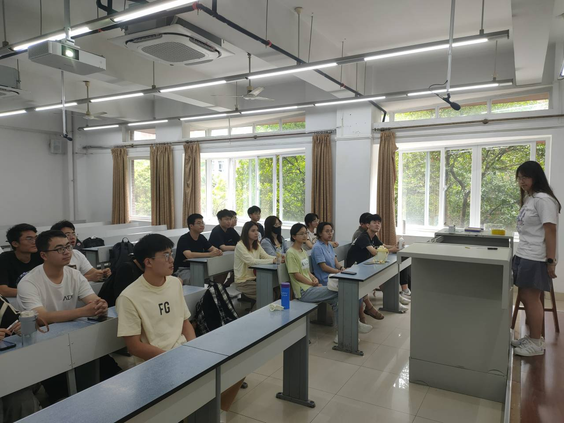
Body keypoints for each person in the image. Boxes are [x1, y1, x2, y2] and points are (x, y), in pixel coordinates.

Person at [116, 234, 242, 421]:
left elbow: (185, 322)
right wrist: (173, 358)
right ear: (148, 262)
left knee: (239, 363)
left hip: (183, 352)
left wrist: (193, 348)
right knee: (199, 385)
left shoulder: (174, 283)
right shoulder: (129, 297)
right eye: (165, 255)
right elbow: (134, 346)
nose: (172, 260)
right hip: (156, 363)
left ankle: (218, 413)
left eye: (171, 254)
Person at [17, 230, 110, 402]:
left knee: (106, 375)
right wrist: (83, 311)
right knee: (63, 394)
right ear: (44, 255)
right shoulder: (29, 282)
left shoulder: (74, 275)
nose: (67, 252)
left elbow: (93, 300)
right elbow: (42, 317)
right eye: (59, 249)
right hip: (44, 344)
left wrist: (100, 304)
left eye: (68, 247)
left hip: (73, 335)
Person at [512, 161, 560, 357]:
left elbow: (551, 231)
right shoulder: (530, 199)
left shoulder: (544, 200)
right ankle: (533, 338)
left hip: (536, 257)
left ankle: (535, 343)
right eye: (519, 178)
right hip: (524, 253)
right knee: (525, 296)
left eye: (525, 177)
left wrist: (550, 261)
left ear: (536, 177)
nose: (521, 181)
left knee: (531, 299)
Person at [312, 222, 384, 328]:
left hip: (335, 276)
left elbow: (336, 262)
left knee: (357, 286)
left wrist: (342, 268)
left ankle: (358, 319)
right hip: (326, 279)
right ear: (319, 233)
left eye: (331, 231)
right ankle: (358, 319)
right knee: (353, 289)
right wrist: (338, 272)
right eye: (327, 231)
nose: (330, 233)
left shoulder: (329, 245)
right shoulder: (317, 247)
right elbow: (323, 267)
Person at [287, 223, 341, 343]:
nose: (305, 235)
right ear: (294, 236)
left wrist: (313, 278)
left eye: (306, 233)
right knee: (339, 292)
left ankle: (342, 331)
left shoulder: (302, 251)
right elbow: (296, 274)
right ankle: (343, 331)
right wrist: (311, 283)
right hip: (303, 291)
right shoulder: (291, 253)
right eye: (301, 233)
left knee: (338, 299)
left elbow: (306, 271)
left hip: (310, 287)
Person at [346, 214, 411, 308]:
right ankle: (395, 300)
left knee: (385, 275)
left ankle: (396, 299)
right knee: (382, 275)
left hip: (365, 264)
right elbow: (374, 252)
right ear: (368, 225)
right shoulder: (363, 236)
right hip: (354, 267)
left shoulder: (373, 236)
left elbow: (383, 246)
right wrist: (392, 250)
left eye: (379, 223)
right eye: (374, 223)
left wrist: (395, 246)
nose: (377, 225)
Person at [0, 295, 40, 422]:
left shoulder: (1, 305)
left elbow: (20, 321)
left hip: (7, 375)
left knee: (23, 401)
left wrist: (25, 326)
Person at [234, 221, 280, 300]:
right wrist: (273, 261)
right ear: (246, 232)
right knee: (268, 293)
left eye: (257, 230)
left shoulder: (257, 244)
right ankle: (256, 308)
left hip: (255, 279)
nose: (256, 233)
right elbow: (252, 262)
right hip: (243, 282)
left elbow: (266, 256)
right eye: (253, 231)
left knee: (278, 288)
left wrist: (278, 259)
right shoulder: (240, 246)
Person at [174, 214, 222, 284]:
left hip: (199, 267)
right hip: (183, 269)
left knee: (216, 274)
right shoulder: (184, 239)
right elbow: (189, 255)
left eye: (202, 223)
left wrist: (218, 251)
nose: (202, 225)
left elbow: (212, 249)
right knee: (197, 278)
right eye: (199, 223)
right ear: (191, 226)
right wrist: (210, 254)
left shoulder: (201, 237)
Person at [0, 224, 43, 297]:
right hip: (14, 299)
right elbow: (3, 291)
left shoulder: (41, 255)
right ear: (15, 244)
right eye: (29, 239)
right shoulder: (4, 259)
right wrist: (36, 293)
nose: (34, 242)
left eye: (36, 238)